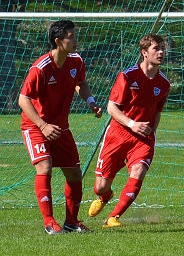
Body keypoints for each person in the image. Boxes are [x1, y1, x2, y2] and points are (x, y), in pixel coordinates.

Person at [19, 19, 103, 234]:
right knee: (44, 167)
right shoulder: (40, 68)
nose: (75, 40)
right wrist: (43, 124)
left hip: (60, 128)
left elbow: (81, 83)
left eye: (75, 35)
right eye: (71, 36)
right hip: (36, 126)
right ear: (58, 41)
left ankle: (72, 222)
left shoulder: (76, 61)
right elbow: (23, 100)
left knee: (75, 174)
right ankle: (49, 223)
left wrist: (91, 102)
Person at [88, 34, 171, 227]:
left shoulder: (164, 84)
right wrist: (132, 124)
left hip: (143, 138)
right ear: (144, 52)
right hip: (118, 134)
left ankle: (113, 217)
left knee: (139, 170)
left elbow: (157, 111)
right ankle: (105, 196)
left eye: (162, 49)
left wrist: (150, 133)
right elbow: (111, 108)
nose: (161, 52)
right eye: (156, 48)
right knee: (100, 187)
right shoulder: (127, 76)